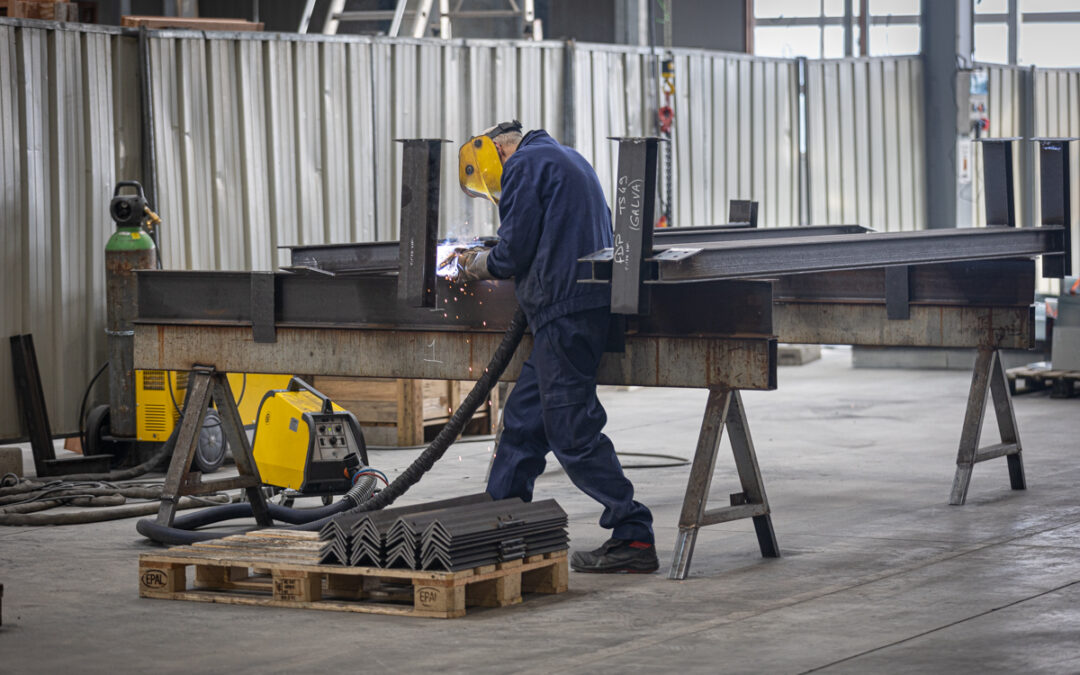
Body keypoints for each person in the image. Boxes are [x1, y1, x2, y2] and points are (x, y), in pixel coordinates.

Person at [454, 121, 657, 573]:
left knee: (571, 432)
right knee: (525, 423)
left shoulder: (524, 164)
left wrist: (474, 265)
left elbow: (513, 253)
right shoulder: (568, 158)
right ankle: (501, 525)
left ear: (496, 155)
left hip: (565, 315)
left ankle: (633, 534)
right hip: (570, 313)